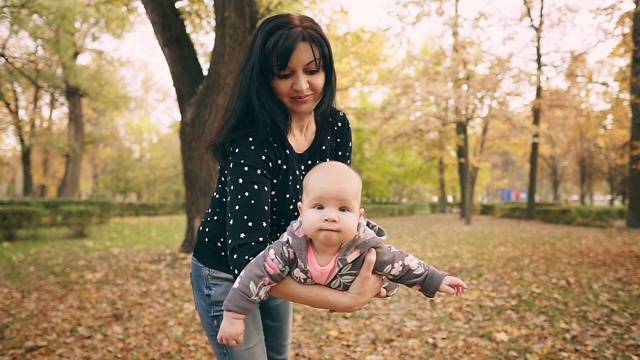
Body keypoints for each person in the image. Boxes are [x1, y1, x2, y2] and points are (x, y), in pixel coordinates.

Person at [190, 13, 386, 360]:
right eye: (285, 74)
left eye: (312, 71)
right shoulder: (252, 141)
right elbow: (248, 257)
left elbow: (338, 212)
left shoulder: (335, 126)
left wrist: (365, 268)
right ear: (265, 78)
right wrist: (346, 299)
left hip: (283, 259)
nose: (301, 85)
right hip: (227, 273)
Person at [217, 161, 468, 346]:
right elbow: (254, 274)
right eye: (318, 206)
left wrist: (436, 279)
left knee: (387, 276)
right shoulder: (288, 248)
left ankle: (385, 288)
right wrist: (234, 316)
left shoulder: (365, 247)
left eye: (343, 208)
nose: (330, 215)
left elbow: (402, 263)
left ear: (359, 217)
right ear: (302, 212)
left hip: (358, 279)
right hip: (323, 286)